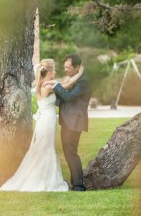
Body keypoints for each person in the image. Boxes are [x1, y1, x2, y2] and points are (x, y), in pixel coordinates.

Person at [0, 58, 83, 192]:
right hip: (47, 121)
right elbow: (66, 86)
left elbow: (63, 82)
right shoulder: (48, 86)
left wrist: (60, 79)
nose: (55, 71)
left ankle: (41, 176)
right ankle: (43, 179)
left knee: (43, 148)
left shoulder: (43, 84)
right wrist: (79, 74)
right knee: (45, 149)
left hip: (44, 120)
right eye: (54, 69)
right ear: (49, 72)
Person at [51, 54, 91, 191]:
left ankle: (79, 185)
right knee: (69, 152)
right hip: (68, 120)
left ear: (78, 67)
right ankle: (76, 183)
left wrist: (55, 85)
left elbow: (68, 97)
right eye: (65, 67)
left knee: (71, 152)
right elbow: (63, 94)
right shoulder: (74, 79)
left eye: (68, 67)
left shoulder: (83, 81)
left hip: (74, 121)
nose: (66, 70)